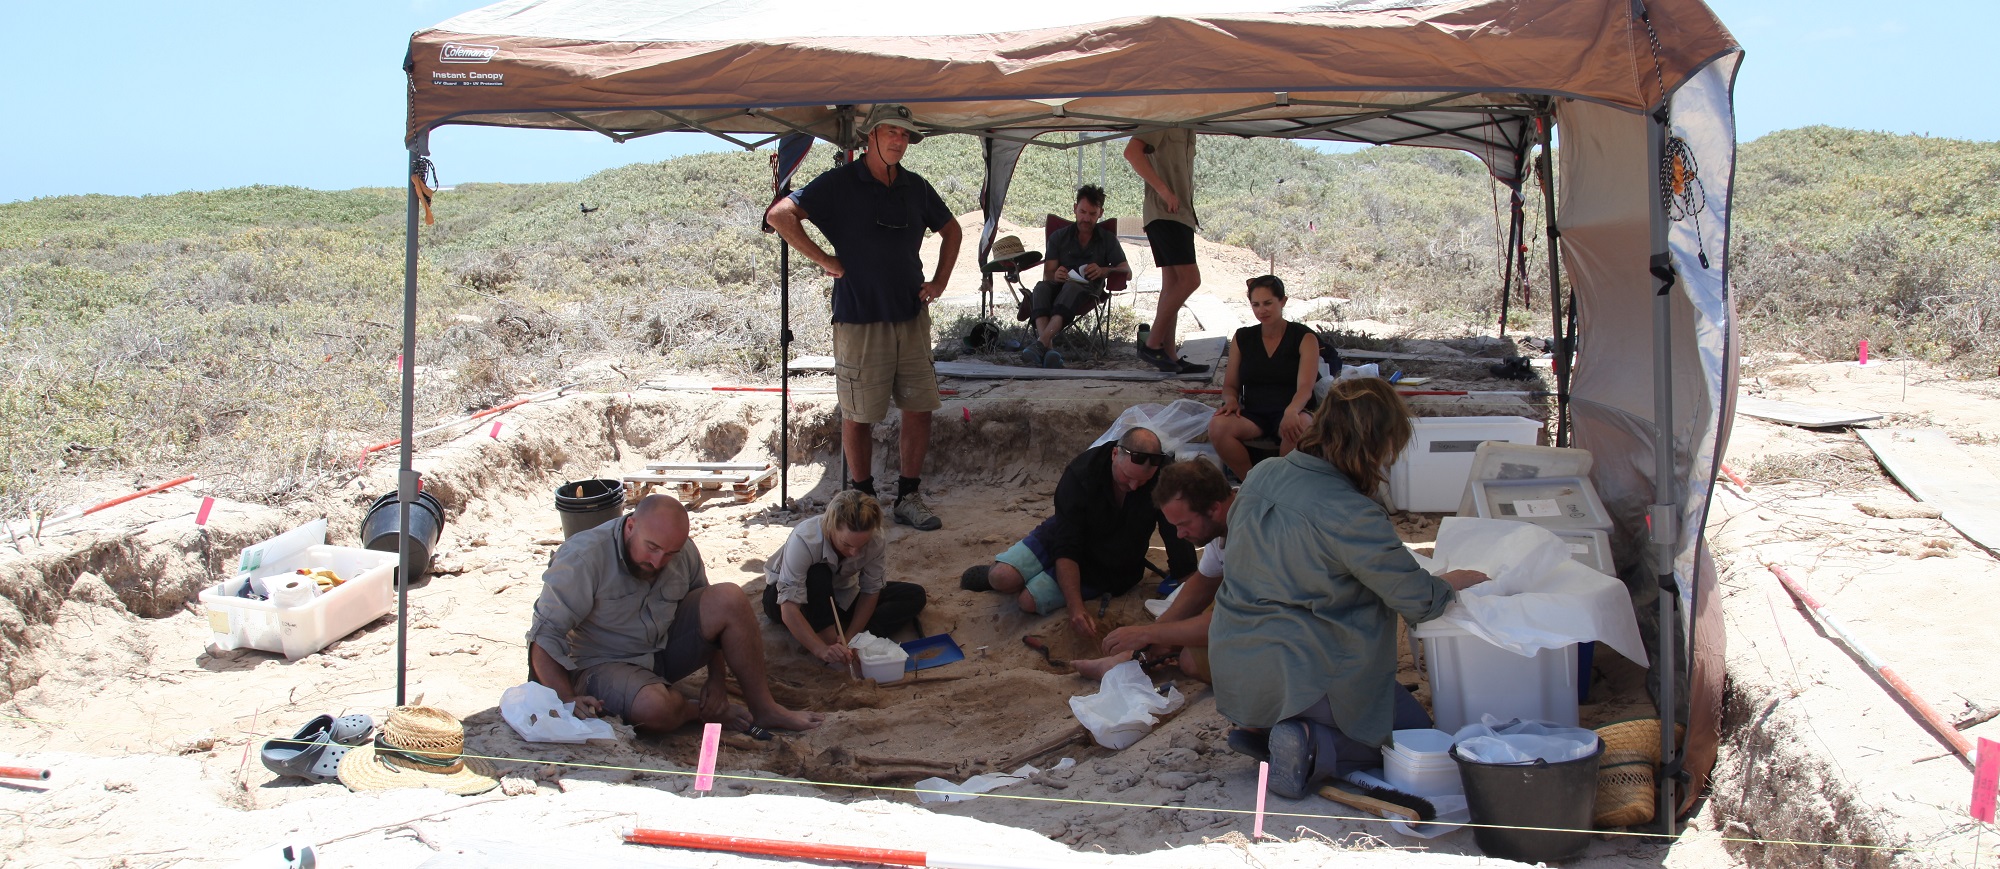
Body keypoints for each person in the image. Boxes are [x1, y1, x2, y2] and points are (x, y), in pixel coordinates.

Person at [1208, 378, 1492, 799]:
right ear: (1379, 444)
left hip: (1236, 664)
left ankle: (1267, 732)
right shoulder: (1353, 513)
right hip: (1303, 670)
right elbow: (1418, 600)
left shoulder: (1262, 474)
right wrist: (1455, 582)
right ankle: (1314, 744)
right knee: (1416, 740)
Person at [766, 103, 961, 532]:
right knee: (858, 412)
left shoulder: (915, 187)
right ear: (869, 135)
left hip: (910, 314)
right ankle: (863, 498)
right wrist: (825, 260)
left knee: (919, 406)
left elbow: (952, 230)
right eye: (891, 131)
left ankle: (909, 496)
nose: (898, 140)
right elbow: (779, 214)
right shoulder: (840, 183)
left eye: (905, 135)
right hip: (858, 317)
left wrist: (940, 281)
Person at [527, 495, 822, 734]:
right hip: (604, 663)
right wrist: (566, 699)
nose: (657, 561)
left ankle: (765, 708)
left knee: (729, 597)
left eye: (669, 553)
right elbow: (544, 636)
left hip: (663, 649)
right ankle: (698, 711)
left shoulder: (682, 551)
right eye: (652, 548)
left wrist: (717, 679)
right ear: (631, 527)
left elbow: (712, 618)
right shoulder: (584, 557)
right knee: (656, 709)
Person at [959, 427, 1197, 641]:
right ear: (1115, 454)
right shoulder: (1082, 473)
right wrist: (1075, 607)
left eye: (1143, 481)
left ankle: (1029, 581)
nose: (1134, 486)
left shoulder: (1165, 478)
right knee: (1002, 577)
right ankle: (1002, 576)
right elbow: (1066, 544)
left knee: (1027, 601)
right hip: (1066, 535)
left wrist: (1185, 578)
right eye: (1128, 477)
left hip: (1110, 563)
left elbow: (1176, 532)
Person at [1073, 458, 1232, 683]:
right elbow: (1201, 586)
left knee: (1190, 660)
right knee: (1175, 627)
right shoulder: (1222, 525)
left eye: (1184, 524)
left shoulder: (1249, 538)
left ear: (1214, 508)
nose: (1179, 535)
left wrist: (1148, 633)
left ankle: (1134, 660)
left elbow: (1230, 623)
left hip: (1278, 625)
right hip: (1244, 609)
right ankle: (1135, 657)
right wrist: (1154, 635)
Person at [761, 490, 928, 669]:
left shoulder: (875, 538)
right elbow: (789, 609)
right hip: (788, 600)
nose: (854, 553)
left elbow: (870, 590)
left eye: (861, 545)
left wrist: (851, 636)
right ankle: (830, 642)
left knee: (913, 595)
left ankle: (859, 641)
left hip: (839, 594)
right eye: (846, 544)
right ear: (831, 527)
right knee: (818, 573)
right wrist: (822, 650)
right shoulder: (805, 538)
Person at [1209, 275, 1320, 480]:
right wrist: (1231, 401)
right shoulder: (1243, 337)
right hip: (1255, 412)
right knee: (1217, 426)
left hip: (1292, 409)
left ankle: (1282, 484)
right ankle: (1251, 482)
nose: (1262, 310)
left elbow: (1306, 387)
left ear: (1283, 301)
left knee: (1299, 426)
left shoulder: (1304, 337)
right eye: (1256, 304)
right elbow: (1230, 385)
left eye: (1268, 303)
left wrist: (1292, 410)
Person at [1122, 128, 1208, 375]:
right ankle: (1152, 343)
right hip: (1165, 213)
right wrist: (1164, 190)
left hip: (1179, 216)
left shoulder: (1188, 123)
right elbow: (1131, 152)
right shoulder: (1162, 116)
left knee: (1172, 285)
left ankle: (1170, 357)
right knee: (1191, 280)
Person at [1022, 184, 1130, 370]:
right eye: (1082, 212)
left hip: (1088, 290)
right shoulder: (1059, 237)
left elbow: (1127, 272)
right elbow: (1047, 274)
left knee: (1072, 288)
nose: (1086, 218)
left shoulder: (1107, 239)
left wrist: (1105, 270)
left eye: (1092, 214)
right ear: (1074, 209)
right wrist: (1056, 275)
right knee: (1040, 288)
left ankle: (1040, 345)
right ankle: (1049, 350)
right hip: (1059, 286)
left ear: (1100, 213)